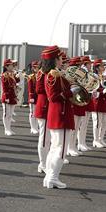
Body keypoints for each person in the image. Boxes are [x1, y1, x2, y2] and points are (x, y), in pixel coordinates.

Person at [43, 46, 72, 189]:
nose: (62, 61)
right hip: (61, 113)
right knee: (61, 149)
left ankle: (49, 177)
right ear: (55, 59)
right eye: (60, 58)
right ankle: (53, 177)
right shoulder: (54, 75)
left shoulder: (53, 74)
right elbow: (53, 96)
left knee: (55, 147)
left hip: (57, 113)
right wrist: (70, 91)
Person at [90, 59, 106, 148]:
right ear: (97, 67)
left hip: (103, 100)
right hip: (97, 101)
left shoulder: (103, 76)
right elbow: (93, 89)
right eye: (102, 66)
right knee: (97, 122)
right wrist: (102, 91)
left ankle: (101, 139)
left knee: (104, 122)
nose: (103, 67)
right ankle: (95, 140)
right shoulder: (94, 76)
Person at [0, 59, 18, 136]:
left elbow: (17, 81)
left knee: (10, 114)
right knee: (6, 113)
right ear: (6, 66)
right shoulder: (4, 75)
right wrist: (6, 96)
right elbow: (4, 87)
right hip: (7, 95)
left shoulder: (11, 74)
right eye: (10, 65)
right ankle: (6, 129)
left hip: (12, 95)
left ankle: (9, 128)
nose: (12, 66)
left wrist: (17, 75)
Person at [26, 61, 40, 134]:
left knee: (37, 113)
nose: (36, 68)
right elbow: (30, 88)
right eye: (34, 67)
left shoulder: (40, 75)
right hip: (33, 96)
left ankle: (36, 127)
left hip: (39, 97)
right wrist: (31, 97)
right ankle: (33, 127)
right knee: (32, 112)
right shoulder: (31, 77)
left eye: (37, 67)